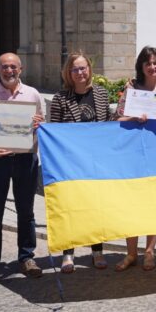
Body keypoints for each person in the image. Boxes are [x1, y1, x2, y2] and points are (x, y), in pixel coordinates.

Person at [0, 53, 44, 288]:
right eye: (4, 67)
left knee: (26, 212)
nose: (9, 71)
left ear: (20, 69)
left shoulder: (33, 94)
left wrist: (39, 124)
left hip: (25, 159)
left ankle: (26, 258)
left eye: (13, 67)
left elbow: (41, 125)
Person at [114, 46, 156, 272]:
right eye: (148, 63)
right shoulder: (131, 89)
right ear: (141, 66)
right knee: (131, 204)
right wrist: (133, 118)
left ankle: (149, 251)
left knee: (154, 204)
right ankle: (131, 253)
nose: (152, 67)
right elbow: (117, 119)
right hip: (133, 154)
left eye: (155, 62)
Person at [50, 52, 112, 273]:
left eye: (83, 68)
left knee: (96, 207)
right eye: (75, 69)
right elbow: (54, 131)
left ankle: (97, 251)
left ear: (89, 69)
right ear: (68, 73)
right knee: (70, 208)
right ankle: (68, 253)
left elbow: (109, 125)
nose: (79, 72)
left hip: (96, 162)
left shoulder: (101, 94)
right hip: (70, 163)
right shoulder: (60, 98)